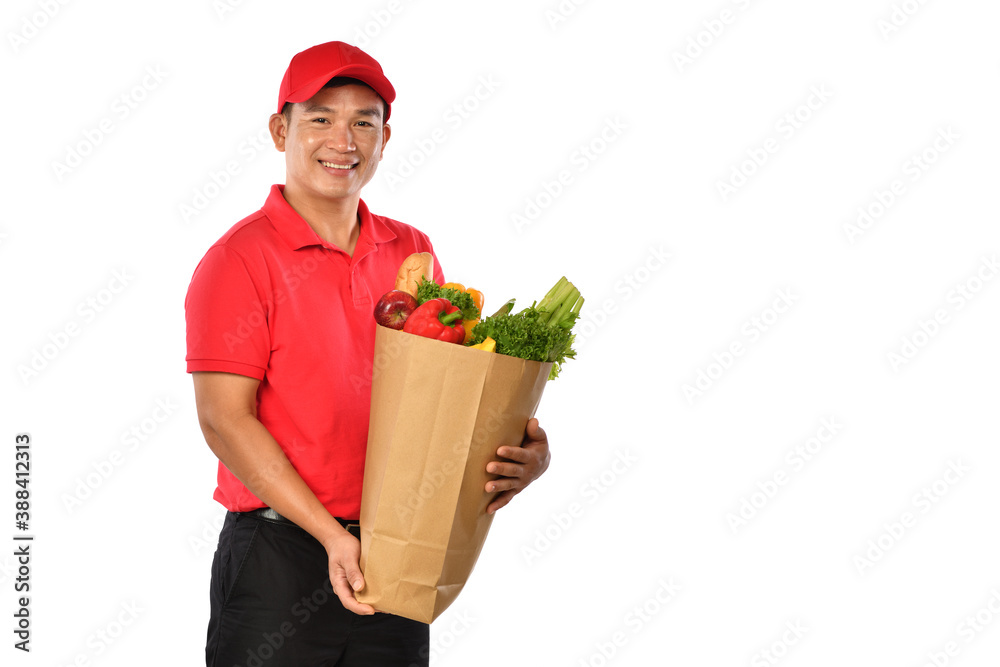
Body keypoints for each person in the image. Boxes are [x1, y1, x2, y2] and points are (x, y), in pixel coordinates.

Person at [184, 41, 551, 666]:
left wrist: (524, 452)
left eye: (364, 121)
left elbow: (445, 394)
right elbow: (225, 419)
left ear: (385, 138)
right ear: (281, 130)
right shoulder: (239, 260)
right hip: (278, 557)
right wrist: (329, 535)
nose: (343, 138)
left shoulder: (411, 250)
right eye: (321, 118)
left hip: (399, 551)